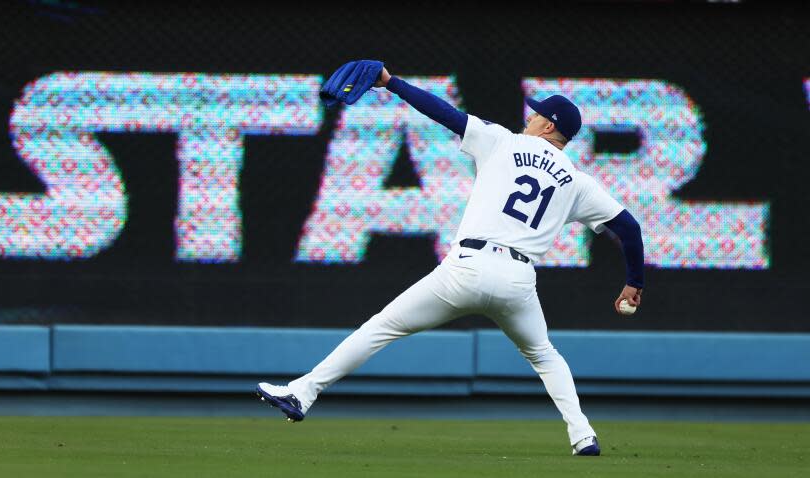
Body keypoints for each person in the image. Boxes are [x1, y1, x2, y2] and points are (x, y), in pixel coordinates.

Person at [256, 65, 645, 456]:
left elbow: (443, 112)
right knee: (545, 356)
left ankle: (303, 393)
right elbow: (629, 229)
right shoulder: (578, 183)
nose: (530, 116)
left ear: (548, 127)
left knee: (382, 326)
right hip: (517, 279)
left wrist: (391, 83)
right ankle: (583, 435)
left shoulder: (502, 142)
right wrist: (634, 282)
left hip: (468, 267)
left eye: (537, 114)